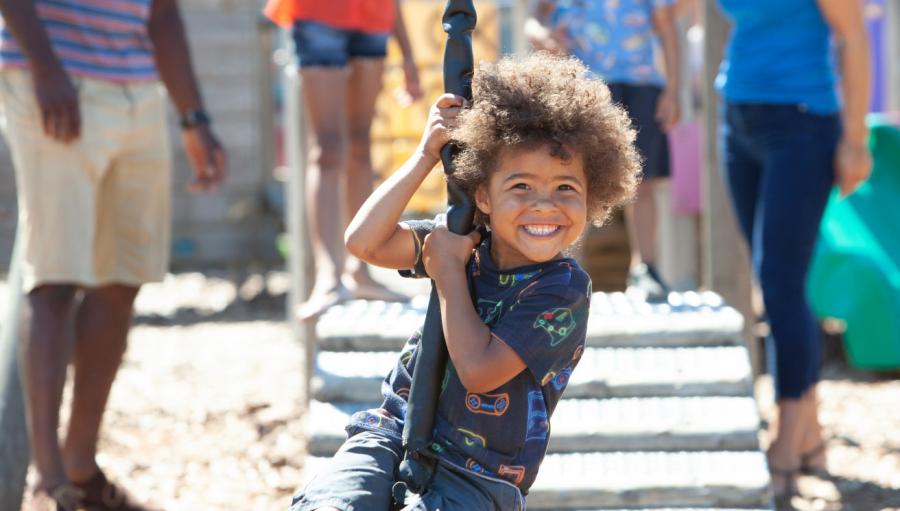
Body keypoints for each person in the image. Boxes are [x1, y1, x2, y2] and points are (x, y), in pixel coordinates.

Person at [290, 53, 640, 511]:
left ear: (592, 195)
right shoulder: (460, 239)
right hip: (391, 431)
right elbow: (365, 242)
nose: (544, 205)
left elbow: (479, 372)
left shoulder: (562, 290)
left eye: (565, 189)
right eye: (521, 187)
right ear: (483, 195)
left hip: (478, 476)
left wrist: (449, 272)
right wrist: (423, 158)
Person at [0, 0, 227, 508]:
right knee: (54, 276)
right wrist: (45, 66)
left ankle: (80, 468)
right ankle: (47, 481)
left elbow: (162, 11)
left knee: (122, 281)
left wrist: (194, 118)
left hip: (138, 91)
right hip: (56, 80)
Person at [715, 0, 871, 499]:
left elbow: (854, 38)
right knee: (776, 284)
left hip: (802, 123)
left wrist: (855, 139)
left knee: (781, 284)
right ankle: (810, 436)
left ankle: (786, 441)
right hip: (737, 118)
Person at [264, 0, 423, 320]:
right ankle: (328, 277)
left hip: (374, 17)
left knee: (360, 144)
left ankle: (360, 271)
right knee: (327, 148)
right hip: (318, 14)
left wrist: (408, 54)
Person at [526, 0, 681, 301]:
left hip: (641, 83)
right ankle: (566, 267)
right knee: (572, 178)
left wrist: (673, 90)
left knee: (643, 181)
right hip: (582, 85)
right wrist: (541, 36)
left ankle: (645, 268)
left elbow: (667, 28)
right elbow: (534, 17)